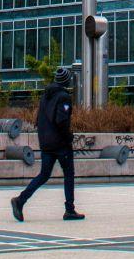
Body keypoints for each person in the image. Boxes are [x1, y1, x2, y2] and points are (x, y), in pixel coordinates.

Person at [11, 66, 82, 222]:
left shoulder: (46, 96)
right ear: (66, 81)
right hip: (60, 144)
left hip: (46, 143)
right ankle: (69, 209)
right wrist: (68, 137)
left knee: (44, 175)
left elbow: (38, 120)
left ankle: (20, 200)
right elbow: (61, 120)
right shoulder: (63, 97)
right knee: (69, 174)